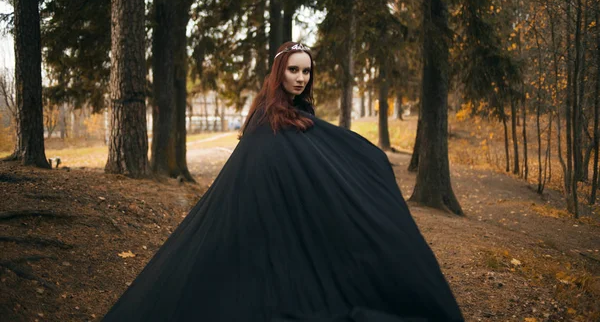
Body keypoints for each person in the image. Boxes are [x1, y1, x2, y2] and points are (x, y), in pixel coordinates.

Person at [102, 42, 463, 322]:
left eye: (306, 71)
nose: (301, 78)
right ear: (279, 72)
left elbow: (309, 153)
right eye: (293, 70)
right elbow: (268, 161)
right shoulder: (268, 117)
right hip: (261, 218)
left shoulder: (299, 112)